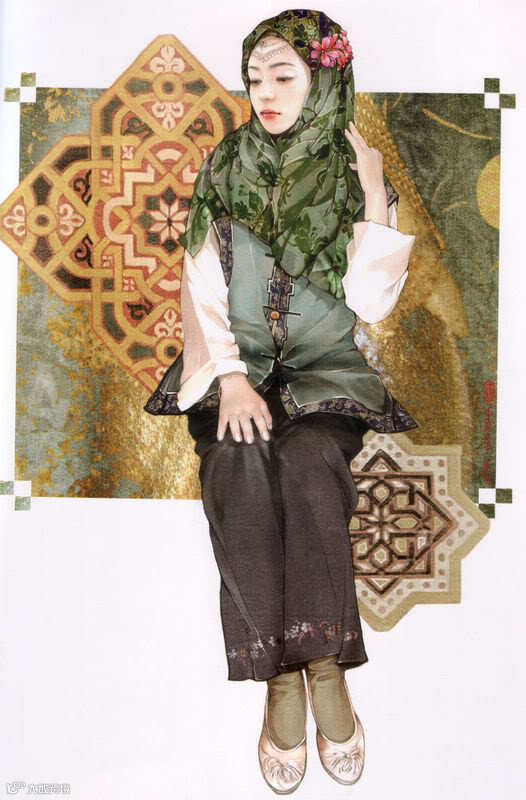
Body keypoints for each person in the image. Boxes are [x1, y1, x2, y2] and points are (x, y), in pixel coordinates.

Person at [145, 9, 417, 793]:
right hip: (237, 371)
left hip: (324, 372)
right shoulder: (224, 168)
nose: (264, 92)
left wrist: (373, 198)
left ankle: (324, 664)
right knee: (235, 468)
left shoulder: (356, 174)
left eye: (283, 75)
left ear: (322, 81)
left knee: (306, 464)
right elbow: (201, 285)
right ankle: (279, 676)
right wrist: (230, 376)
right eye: (255, 76)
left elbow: (370, 301)